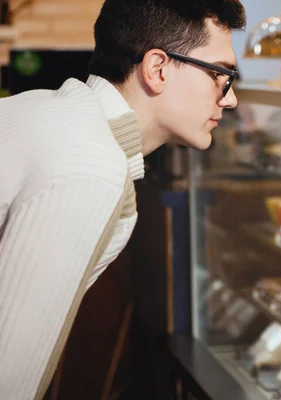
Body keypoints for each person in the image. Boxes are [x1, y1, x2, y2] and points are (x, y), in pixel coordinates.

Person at [0, 0, 245, 398]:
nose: (230, 98)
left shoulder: (56, 115)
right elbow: (8, 376)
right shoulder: (89, 167)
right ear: (157, 68)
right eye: (222, 75)